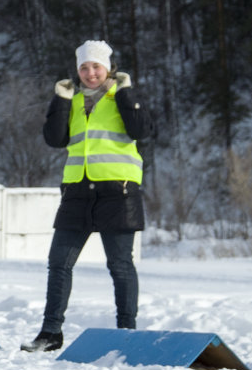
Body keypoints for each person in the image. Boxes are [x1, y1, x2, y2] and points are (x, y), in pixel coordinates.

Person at [22, 40, 153, 352]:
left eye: (96, 66)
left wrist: (125, 93)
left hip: (117, 192)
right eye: (84, 67)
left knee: (120, 264)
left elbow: (140, 130)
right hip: (77, 192)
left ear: (108, 67)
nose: (90, 73)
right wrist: (60, 99)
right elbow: (54, 139)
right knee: (58, 263)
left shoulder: (121, 97)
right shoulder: (73, 100)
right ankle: (50, 333)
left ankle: (127, 331)